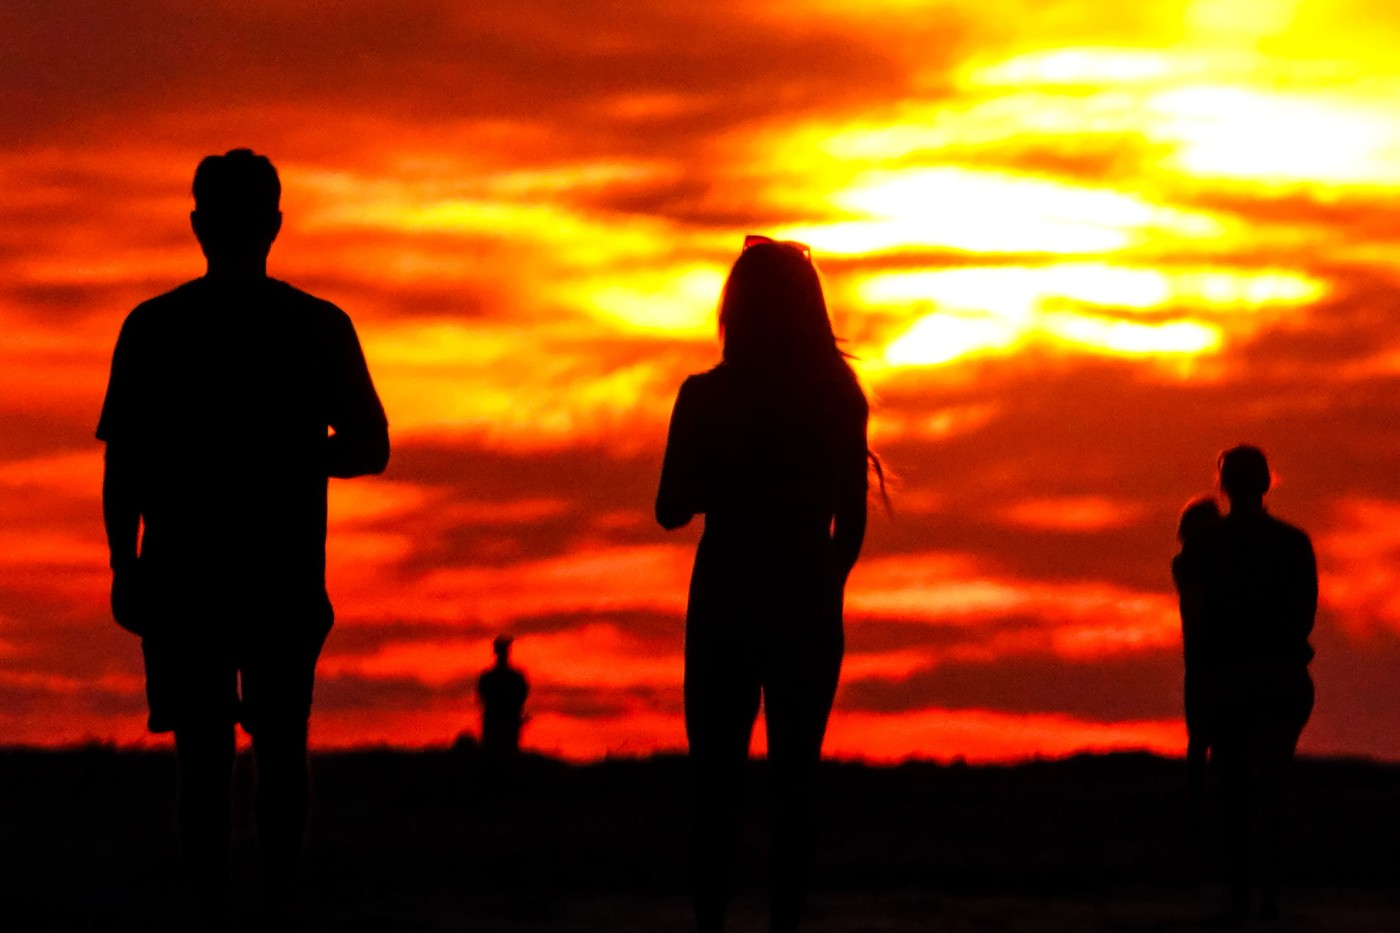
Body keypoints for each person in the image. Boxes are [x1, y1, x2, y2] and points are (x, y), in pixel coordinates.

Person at [98, 149, 389, 931]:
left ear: (199, 225)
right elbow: (370, 446)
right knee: (277, 750)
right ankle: (271, 911)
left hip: (190, 577)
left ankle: (222, 915)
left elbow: (123, 467)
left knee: (205, 760)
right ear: (274, 225)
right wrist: (297, 458)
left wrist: (125, 564)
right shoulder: (316, 326)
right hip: (274, 574)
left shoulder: (155, 327)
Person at [656, 235, 873, 933]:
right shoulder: (838, 397)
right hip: (807, 599)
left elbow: (669, 507)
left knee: (714, 789)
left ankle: (710, 927)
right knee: (795, 788)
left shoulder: (704, 397)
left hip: (725, 596)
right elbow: (852, 524)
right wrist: (820, 584)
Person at [1203, 446, 1316, 922]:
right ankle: (1268, 890)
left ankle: (1240, 892)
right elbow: (1304, 615)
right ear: (1267, 483)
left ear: (1223, 486)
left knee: (1234, 788)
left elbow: (1202, 623)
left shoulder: (1210, 546)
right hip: (1280, 677)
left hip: (1233, 678)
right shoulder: (1293, 543)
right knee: (1272, 787)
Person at [1172, 495, 1222, 809]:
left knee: (1202, 737)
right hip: (1209, 662)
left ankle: (1199, 802)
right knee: (1208, 737)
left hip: (1201, 662)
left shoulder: (1186, 564)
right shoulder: (1189, 564)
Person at [478, 634, 529, 756]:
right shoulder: (513, 678)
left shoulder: (490, 677)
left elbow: (521, 696)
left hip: (505, 721)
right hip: (499, 721)